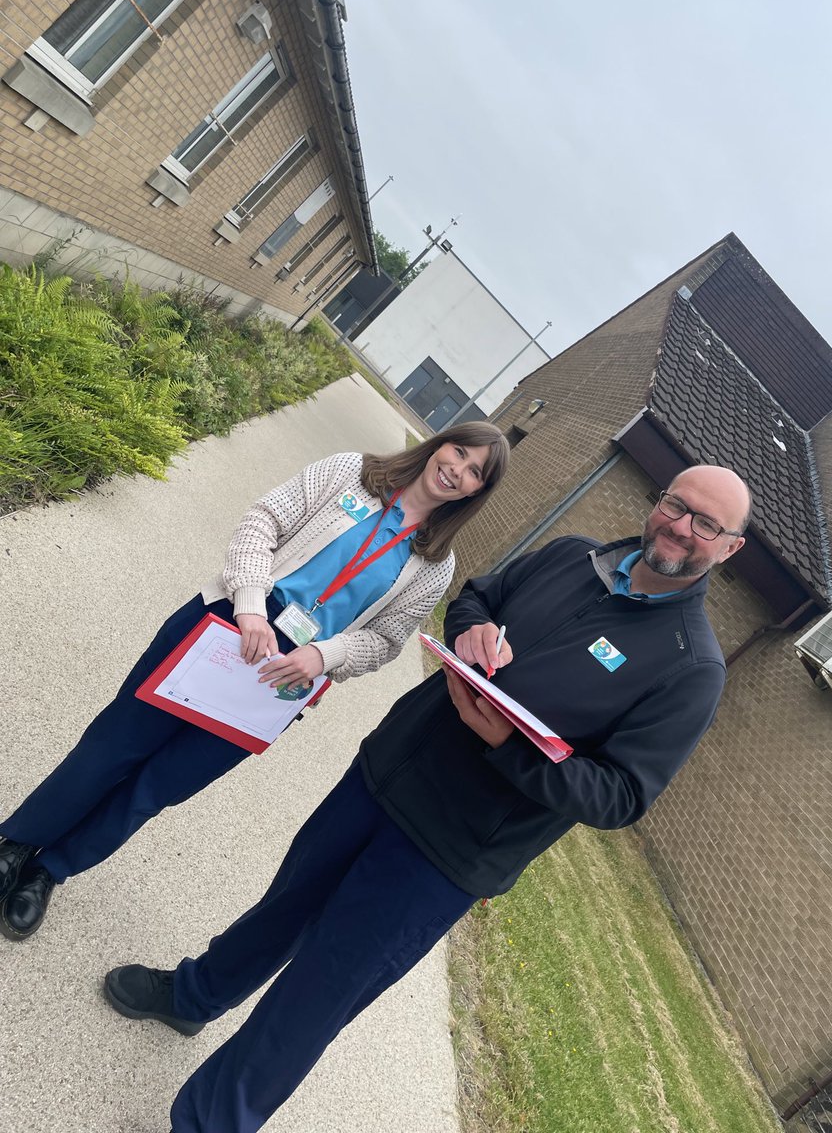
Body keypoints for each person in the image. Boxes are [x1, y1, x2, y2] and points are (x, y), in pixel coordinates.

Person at [102, 463, 750, 1133]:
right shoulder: (570, 556)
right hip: (388, 770)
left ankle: (205, 1123)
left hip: (451, 849)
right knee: (284, 906)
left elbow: (620, 795)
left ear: (729, 548)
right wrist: (471, 628)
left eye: (707, 524)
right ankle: (193, 995)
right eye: (676, 504)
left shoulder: (690, 669)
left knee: (316, 995)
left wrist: (506, 745)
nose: (681, 526)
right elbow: (477, 597)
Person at [0, 422, 510, 940]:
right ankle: (18, 843)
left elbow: (385, 640)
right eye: (459, 451)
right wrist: (249, 606)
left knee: (158, 786)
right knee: (114, 744)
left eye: (475, 473)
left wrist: (323, 655)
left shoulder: (433, 565)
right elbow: (262, 522)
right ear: (439, 444)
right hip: (229, 620)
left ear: (477, 492)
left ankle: (50, 871)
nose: (457, 470)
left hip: (286, 679)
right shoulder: (351, 474)